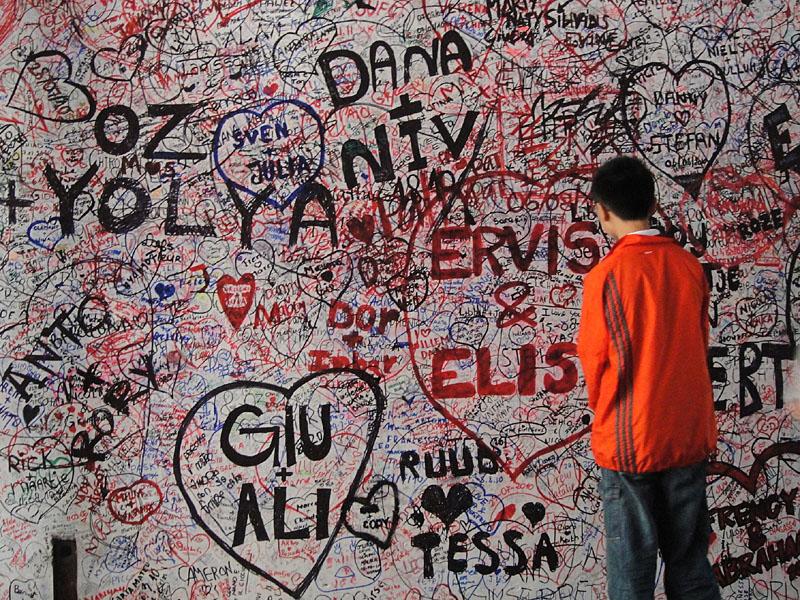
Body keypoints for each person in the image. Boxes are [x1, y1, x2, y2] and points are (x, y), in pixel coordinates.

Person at [577, 155, 721, 600]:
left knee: (631, 577)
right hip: (687, 436)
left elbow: (595, 362)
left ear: (602, 211)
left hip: (630, 443)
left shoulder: (605, 277)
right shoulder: (688, 266)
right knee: (691, 568)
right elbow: (698, 346)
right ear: (654, 204)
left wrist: (609, 418)